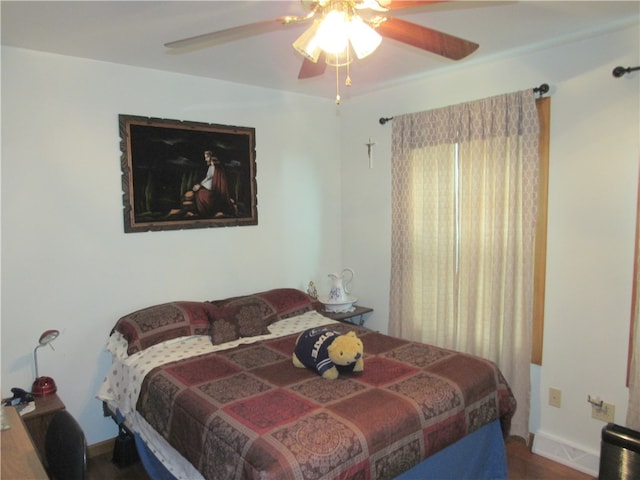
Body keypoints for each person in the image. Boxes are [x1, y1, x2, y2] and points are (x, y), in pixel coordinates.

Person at [192, 150, 234, 217]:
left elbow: (212, 180)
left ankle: (207, 212)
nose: (205, 159)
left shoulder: (216, 167)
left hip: (214, 190)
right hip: (210, 187)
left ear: (211, 157)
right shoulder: (211, 167)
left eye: (207, 157)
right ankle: (204, 213)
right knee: (198, 192)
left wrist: (200, 185)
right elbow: (208, 178)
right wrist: (199, 184)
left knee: (200, 193)